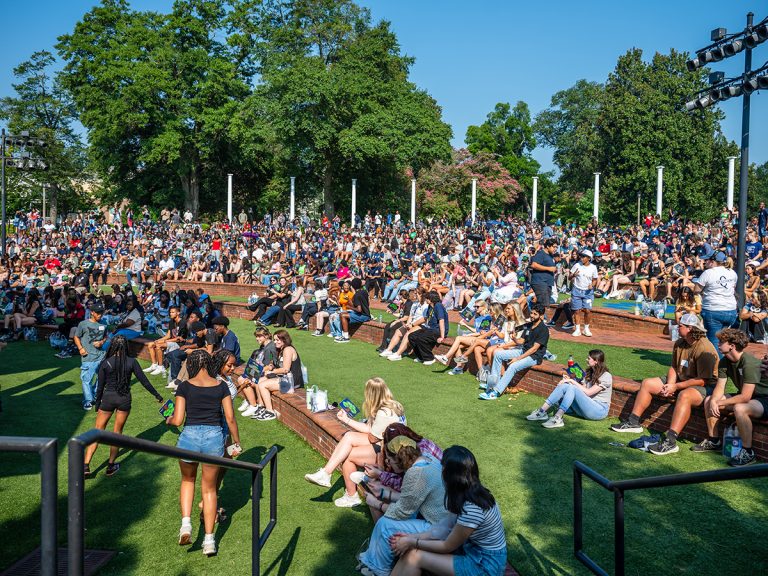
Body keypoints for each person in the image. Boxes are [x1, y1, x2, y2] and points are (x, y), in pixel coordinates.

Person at [165, 350, 242, 556]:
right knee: (209, 490)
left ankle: (186, 525)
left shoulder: (185, 386)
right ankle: (209, 540)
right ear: (209, 364)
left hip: (189, 436)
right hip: (214, 437)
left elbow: (179, 419)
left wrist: (169, 419)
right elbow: (230, 417)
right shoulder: (222, 386)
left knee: (188, 480)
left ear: (191, 364)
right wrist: (236, 442)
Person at [388, 446, 507, 576]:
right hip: (473, 552)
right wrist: (410, 537)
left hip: (485, 565)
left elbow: (447, 546)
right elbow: (444, 528)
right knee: (412, 553)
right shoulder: (469, 492)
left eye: (443, 468)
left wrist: (412, 542)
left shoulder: (471, 509)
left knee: (413, 556)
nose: (441, 471)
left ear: (451, 476)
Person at [611, 314, 718, 453]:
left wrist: (676, 386)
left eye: (680, 326)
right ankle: (633, 422)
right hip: (682, 379)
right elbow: (674, 367)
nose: (676, 327)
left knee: (684, 396)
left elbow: (703, 380)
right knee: (647, 383)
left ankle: (670, 441)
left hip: (704, 385)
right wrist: (671, 384)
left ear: (690, 328)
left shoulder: (705, 348)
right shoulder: (680, 342)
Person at [304, 377, 405, 507]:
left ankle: (351, 495)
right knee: (349, 437)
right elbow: (371, 431)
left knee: (348, 456)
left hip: (390, 454)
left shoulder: (383, 412)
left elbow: (373, 438)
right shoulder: (393, 405)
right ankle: (325, 473)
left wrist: (348, 421)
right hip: (391, 447)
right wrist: (346, 420)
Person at [357, 436, 448, 576]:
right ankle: (371, 561)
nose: (388, 462)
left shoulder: (415, 473)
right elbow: (411, 497)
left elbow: (401, 512)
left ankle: (379, 570)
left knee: (385, 524)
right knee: (388, 521)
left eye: (389, 459)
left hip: (438, 527)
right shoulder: (428, 459)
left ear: (399, 460)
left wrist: (376, 503)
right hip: (444, 521)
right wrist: (384, 493)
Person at [85, 336, 164, 477]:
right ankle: (110, 466)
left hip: (107, 399)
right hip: (124, 400)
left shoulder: (105, 363)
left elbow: (100, 387)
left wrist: (98, 405)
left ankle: (86, 466)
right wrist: (157, 395)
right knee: (117, 434)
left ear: (113, 346)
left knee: (97, 432)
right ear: (126, 346)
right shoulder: (132, 362)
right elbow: (144, 382)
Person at [702, 328, 768, 467]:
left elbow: (745, 397)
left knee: (740, 408)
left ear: (732, 346)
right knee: (709, 400)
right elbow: (720, 387)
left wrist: (720, 402)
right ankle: (714, 441)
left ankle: (748, 452)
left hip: (764, 398)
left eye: (721, 342)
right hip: (751, 397)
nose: (718, 345)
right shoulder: (724, 362)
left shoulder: (748, 363)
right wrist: (714, 401)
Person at [479, 302, 549, 400]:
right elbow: (522, 341)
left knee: (513, 366)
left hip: (534, 356)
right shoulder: (529, 325)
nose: (532, 316)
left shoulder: (543, 330)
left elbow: (534, 349)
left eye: (535, 314)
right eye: (531, 313)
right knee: (497, 354)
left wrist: (517, 358)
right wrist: (515, 338)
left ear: (541, 316)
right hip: (523, 350)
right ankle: (493, 384)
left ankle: (496, 392)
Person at [526, 349, 612, 428]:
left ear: (596, 361)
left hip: (599, 411)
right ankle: (542, 412)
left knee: (571, 386)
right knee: (566, 385)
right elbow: (583, 389)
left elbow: (588, 392)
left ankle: (558, 418)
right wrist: (569, 380)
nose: (586, 359)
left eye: (589, 358)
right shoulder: (590, 372)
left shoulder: (606, 376)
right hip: (585, 408)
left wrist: (572, 381)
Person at [253, 329, 304, 421]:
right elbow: (274, 363)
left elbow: (285, 369)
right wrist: (270, 366)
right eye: (274, 340)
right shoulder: (279, 349)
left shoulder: (288, 349)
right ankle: (262, 406)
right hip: (283, 377)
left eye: (277, 340)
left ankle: (270, 412)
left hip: (292, 381)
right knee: (258, 380)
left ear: (284, 339)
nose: (275, 342)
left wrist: (272, 372)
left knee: (263, 385)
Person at [694, 249, 737, 353]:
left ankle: (718, 367)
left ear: (712, 261)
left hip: (714, 310)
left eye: (707, 260)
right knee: (724, 341)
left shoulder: (708, 273)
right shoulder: (732, 272)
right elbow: (733, 288)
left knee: (714, 342)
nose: (705, 262)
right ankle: (727, 365)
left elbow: (696, 290)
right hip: (730, 311)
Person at [74, 301, 108, 410]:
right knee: (86, 379)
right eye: (98, 313)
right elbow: (76, 337)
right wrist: (80, 348)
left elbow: (106, 336)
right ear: (92, 312)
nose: (100, 315)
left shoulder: (104, 324)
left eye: (101, 313)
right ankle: (88, 400)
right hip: (88, 357)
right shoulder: (83, 324)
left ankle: (94, 395)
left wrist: (102, 342)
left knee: (101, 378)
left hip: (101, 356)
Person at [407, 291, 449, 365]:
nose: (425, 299)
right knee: (412, 336)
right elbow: (425, 318)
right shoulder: (430, 306)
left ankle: (429, 358)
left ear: (430, 299)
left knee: (421, 338)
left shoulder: (438, 306)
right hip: (430, 329)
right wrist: (412, 325)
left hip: (438, 330)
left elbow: (441, 321)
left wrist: (442, 336)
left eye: (427, 298)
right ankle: (420, 357)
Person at [569, 249, 598, 337]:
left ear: (589, 258)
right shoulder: (577, 265)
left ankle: (586, 329)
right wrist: (573, 275)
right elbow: (569, 277)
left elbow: (595, 279)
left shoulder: (593, 267)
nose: (581, 258)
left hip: (588, 292)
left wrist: (592, 286)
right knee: (576, 311)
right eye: (581, 256)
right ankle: (577, 329)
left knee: (587, 310)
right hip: (576, 290)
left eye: (583, 256)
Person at [529, 239, 558, 322]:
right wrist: (549, 268)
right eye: (554, 247)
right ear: (548, 246)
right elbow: (534, 265)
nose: (555, 249)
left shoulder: (550, 255)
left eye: (556, 247)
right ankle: (540, 323)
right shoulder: (541, 253)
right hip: (540, 282)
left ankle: (538, 323)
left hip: (546, 283)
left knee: (541, 304)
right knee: (542, 305)